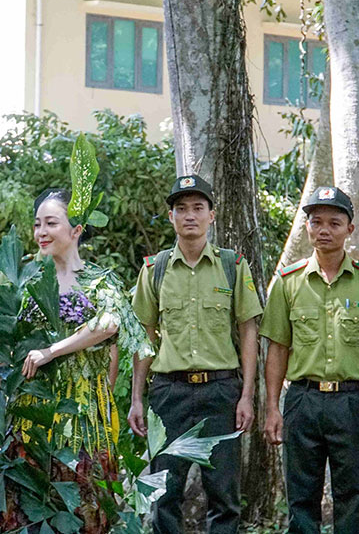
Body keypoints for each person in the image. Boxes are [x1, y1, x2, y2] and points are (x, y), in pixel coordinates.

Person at [0, 188, 151, 533]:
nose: (41, 233)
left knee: (84, 508)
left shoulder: (99, 281)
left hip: (83, 417)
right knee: (28, 510)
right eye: (37, 225)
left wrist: (52, 351)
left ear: (76, 230)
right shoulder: (31, 282)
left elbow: (109, 324)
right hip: (32, 413)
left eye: (51, 223)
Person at [261, 186, 359, 533]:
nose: (324, 230)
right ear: (306, 226)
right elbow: (277, 348)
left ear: (349, 229)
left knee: (352, 495)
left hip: (352, 401)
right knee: (301, 497)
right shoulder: (288, 282)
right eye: (316, 222)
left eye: (334, 223)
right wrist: (273, 407)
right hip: (302, 400)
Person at [128, 175, 263, 534]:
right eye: (182, 209)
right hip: (169, 393)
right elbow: (143, 335)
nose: (190, 216)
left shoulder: (233, 266)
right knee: (163, 494)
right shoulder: (153, 269)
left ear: (211, 216)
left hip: (220, 393)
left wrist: (247, 395)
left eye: (198, 208)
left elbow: (249, 330)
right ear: (171, 217)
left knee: (224, 497)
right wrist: (136, 398)